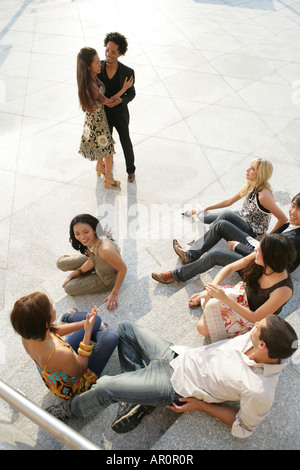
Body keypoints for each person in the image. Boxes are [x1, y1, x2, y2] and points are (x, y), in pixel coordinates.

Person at [46, 315, 298, 439]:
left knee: (105, 386)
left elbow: (243, 427)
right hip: (176, 354)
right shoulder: (267, 344)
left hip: (174, 384)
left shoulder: (260, 390)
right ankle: (138, 395)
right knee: (124, 329)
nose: (253, 326)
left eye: (257, 328)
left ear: (263, 346)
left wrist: (200, 405)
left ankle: (69, 410)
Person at [152, 158, 288, 284]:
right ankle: (199, 216)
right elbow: (229, 201)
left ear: (260, 174)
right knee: (216, 216)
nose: (247, 170)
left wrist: (268, 238)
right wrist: (207, 207)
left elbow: (283, 219)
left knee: (223, 219)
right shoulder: (252, 185)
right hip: (242, 218)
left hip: (251, 232)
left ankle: (192, 251)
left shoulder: (264, 195)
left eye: (252, 169)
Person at [188, 234, 295, 342]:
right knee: (207, 300)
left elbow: (255, 317)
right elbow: (230, 267)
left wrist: (224, 298)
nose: (256, 249)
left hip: (250, 316)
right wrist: (210, 290)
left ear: (270, 258)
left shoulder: (284, 290)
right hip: (242, 295)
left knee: (201, 327)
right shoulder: (261, 257)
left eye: (260, 249)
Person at [10, 293, 119, 400]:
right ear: (46, 324)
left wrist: (84, 324)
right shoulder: (61, 353)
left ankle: (76, 322)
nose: (54, 307)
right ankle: (94, 333)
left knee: (96, 321)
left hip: (62, 363)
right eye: (51, 307)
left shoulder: (28, 336)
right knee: (112, 336)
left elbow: (54, 331)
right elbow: (80, 371)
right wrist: (87, 334)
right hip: (76, 384)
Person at [77, 47, 133, 188]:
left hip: (95, 118)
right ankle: (109, 178)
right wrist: (124, 89)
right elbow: (108, 102)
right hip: (98, 121)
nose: (99, 64)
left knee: (103, 146)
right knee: (108, 150)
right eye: (96, 63)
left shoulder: (91, 77)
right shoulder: (92, 86)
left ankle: (99, 167)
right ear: (88, 67)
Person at [56, 214, 127, 311]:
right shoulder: (91, 241)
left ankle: (89, 271)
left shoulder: (105, 250)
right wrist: (74, 273)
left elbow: (123, 269)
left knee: (69, 288)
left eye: (86, 232)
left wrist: (115, 292)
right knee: (60, 262)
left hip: (107, 278)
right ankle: (86, 269)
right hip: (96, 260)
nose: (82, 237)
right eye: (77, 234)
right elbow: (91, 261)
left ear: (94, 229)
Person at [227, 193, 300, 273]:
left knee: (215, 254)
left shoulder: (294, 240)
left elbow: (264, 258)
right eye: (293, 206)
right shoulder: (293, 224)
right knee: (223, 222)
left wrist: (237, 246)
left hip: (258, 269)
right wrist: (266, 238)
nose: (293, 212)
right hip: (259, 248)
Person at [98, 32, 136, 183]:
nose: (109, 54)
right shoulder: (98, 67)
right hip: (104, 114)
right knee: (104, 141)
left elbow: (132, 93)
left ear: (120, 53)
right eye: (107, 50)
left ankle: (131, 170)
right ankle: (105, 165)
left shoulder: (128, 72)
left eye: (113, 52)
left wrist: (122, 99)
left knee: (125, 140)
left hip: (120, 114)